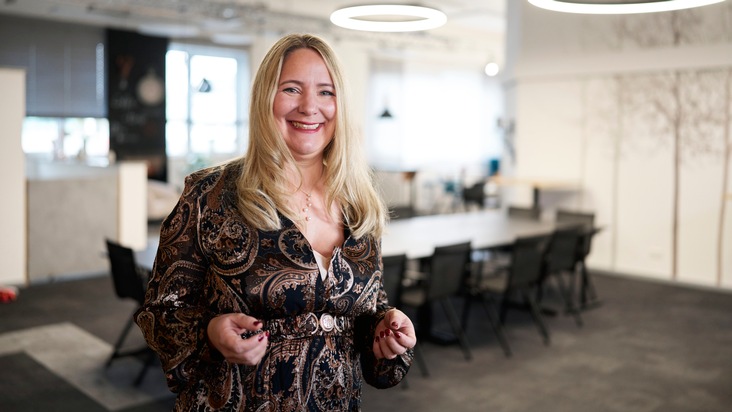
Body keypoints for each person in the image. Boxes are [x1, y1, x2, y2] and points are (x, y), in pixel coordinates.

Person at [134, 33, 417, 411]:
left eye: (326, 92)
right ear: (265, 97)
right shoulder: (209, 194)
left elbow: (367, 321)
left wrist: (386, 332)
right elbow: (160, 313)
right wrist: (210, 333)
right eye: (291, 89)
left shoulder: (359, 205)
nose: (309, 107)